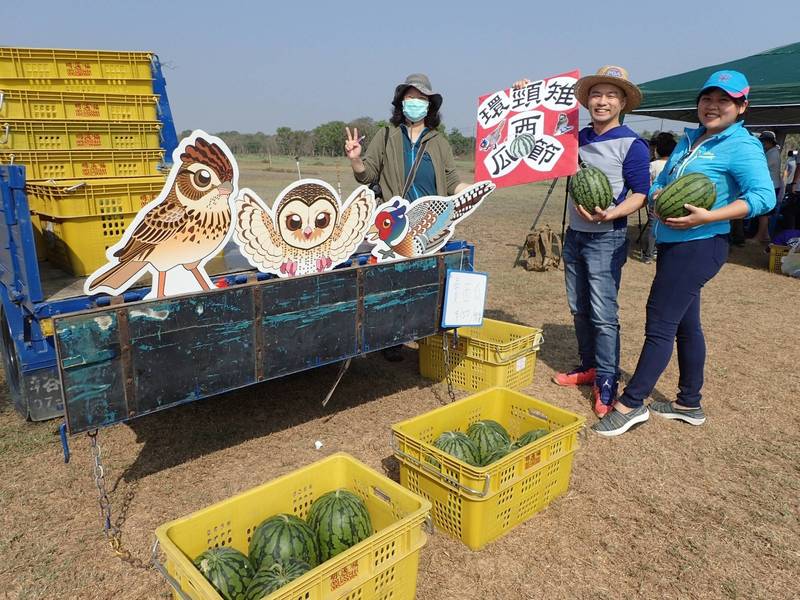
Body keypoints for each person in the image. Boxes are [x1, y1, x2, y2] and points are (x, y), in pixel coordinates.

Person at [592, 70, 775, 437]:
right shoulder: (692, 139)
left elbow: (763, 197)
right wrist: (659, 196)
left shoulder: (741, 146)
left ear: (742, 107)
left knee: (659, 323)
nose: (713, 106)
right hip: (675, 243)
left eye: (724, 100)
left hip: (701, 244)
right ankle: (688, 402)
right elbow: (663, 181)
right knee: (686, 325)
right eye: (708, 99)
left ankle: (632, 404)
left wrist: (710, 216)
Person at [514, 66, 650, 417]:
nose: (602, 101)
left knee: (604, 314)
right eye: (596, 94)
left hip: (608, 238)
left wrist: (613, 213)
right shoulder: (577, 137)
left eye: (611, 95)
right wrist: (526, 95)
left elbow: (640, 195)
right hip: (575, 236)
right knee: (578, 307)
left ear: (622, 103)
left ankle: (607, 379)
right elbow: (539, 131)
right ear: (587, 100)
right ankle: (589, 365)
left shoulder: (632, 144)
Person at [344, 73, 470, 361]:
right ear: (401, 102)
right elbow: (369, 175)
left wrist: (474, 191)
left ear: (430, 106)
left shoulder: (439, 142)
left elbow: (452, 182)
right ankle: (390, 338)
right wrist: (355, 159)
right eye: (410, 97)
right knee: (391, 282)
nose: (415, 103)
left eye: (421, 99)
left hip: (427, 225)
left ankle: (421, 333)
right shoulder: (386, 135)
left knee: (423, 281)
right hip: (393, 225)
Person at [643, 133, 677, 262]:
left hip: (656, 200)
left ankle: (649, 255)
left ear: (657, 150)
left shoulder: (653, 165)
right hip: (672, 202)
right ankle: (660, 250)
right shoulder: (675, 165)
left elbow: (648, 182)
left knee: (653, 225)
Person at [755, 130, 781, 243]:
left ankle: (759, 237)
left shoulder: (772, 154)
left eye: (763, 141)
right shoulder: (771, 152)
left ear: (769, 142)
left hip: (771, 185)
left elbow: (761, 167)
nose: (762, 144)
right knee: (765, 213)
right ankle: (765, 236)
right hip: (772, 185)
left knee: (763, 213)